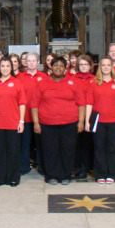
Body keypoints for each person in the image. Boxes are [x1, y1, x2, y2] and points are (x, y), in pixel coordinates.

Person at [30, 56, 85, 185]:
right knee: (50, 150)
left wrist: (81, 121)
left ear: (66, 68)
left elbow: (81, 103)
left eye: (61, 66)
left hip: (69, 123)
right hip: (47, 124)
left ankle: (66, 175)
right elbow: (34, 104)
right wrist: (36, 123)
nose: (58, 68)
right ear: (51, 67)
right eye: (56, 65)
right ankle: (51, 175)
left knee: (68, 150)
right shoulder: (42, 83)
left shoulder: (73, 82)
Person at [0, 56, 26, 187]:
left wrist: (22, 121)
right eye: (2, 66)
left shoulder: (17, 82)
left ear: (11, 68)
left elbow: (22, 103)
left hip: (13, 123)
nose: (5, 68)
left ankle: (13, 178)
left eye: (8, 66)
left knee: (13, 152)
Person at [85, 56, 115, 184]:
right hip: (98, 121)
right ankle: (100, 174)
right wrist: (87, 121)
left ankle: (112, 174)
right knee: (99, 148)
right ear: (100, 67)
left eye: (108, 65)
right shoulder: (94, 83)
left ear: (111, 67)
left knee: (111, 148)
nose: (106, 67)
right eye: (103, 65)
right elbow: (89, 104)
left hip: (114, 121)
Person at [18, 52, 47, 175]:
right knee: (24, 144)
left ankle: (42, 167)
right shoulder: (19, 77)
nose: (31, 63)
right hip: (25, 117)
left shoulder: (44, 77)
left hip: (40, 116)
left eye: (33, 60)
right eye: (29, 61)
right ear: (25, 62)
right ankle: (24, 167)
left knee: (41, 144)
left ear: (38, 62)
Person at [74, 54, 95, 179]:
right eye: (81, 64)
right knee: (78, 143)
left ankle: (89, 166)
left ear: (90, 66)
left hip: (92, 114)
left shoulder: (94, 79)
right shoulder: (72, 78)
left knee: (90, 142)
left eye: (86, 64)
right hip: (76, 114)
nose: (83, 67)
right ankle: (80, 168)